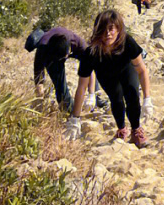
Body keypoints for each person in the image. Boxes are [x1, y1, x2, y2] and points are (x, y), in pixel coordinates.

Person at [65, 9, 152, 146]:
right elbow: (81, 86)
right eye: (103, 30)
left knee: (132, 93)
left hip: (126, 69)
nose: (107, 34)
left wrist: (147, 98)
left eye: (111, 29)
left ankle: (136, 130)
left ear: (118, 29)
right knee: (116, 98)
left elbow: (142, 70)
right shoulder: (91, 53)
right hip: (106, 74)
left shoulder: (127, 42)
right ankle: (122, 129)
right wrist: (75, 118)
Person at [24, 24, 92, 113]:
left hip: (70, 48)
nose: (64, 59)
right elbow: (38, 74)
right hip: (53, 54)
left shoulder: (79, 44)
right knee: (60, 85)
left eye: (64, 57)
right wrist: (39, 99)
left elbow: (91, 65)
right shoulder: (44, 50)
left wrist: (92, 95)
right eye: (61, 58)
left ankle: (98, 99)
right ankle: (69, 110)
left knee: (90, 68)